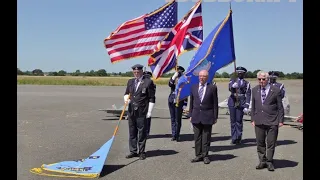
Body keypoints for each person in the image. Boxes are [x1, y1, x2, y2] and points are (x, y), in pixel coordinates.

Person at [251, 70, 284, 171]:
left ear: (267, 79)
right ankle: (262, 161)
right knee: (260, 143)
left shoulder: (276, 90)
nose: (261, 81)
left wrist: (281, 120)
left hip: (272, 120)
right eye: (259, 79)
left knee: (271, 143)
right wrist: (253, 118)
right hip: (259, 120)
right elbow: (253, 106)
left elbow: (280, 107)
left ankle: (269, 161)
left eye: (263, 79)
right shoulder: (254, 90)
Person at [123, 64, 156, 160]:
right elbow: (126, 93)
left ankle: (141, 152)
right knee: (132, 132)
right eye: (135, 72)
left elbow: (151, 98)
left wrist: (149, 111)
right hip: (131, 111)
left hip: (142, 111)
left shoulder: (148, 82)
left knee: (142, 132)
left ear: (142, 72)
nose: (136, 73)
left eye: (138, 72)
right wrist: (126, 99)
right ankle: (133, 151)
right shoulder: (130, 81)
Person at [189, 70, 218, 164]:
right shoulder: (193, 87)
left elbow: (215, 103)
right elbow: (191, 102)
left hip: (208, 116)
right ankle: (198, 155)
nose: (201, 78)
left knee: (206, 137)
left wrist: (215, 116)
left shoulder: (212, 88)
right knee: (197, 137)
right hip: (196, 115)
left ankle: (205, 155)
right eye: (200, 76)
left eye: (204, 76)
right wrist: (190, 114)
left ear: (207, 77)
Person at [227, 66, 251, 145]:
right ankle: (234, 138)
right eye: (238, 73)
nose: (240, 74)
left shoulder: (247, 83)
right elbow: (230, 88)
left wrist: (247, 105)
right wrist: (233, 86)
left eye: (241, 73)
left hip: (241, 101)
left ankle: (239, 137)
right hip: (233, 101)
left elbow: (248, 94)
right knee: (233, 121)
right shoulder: (232, 80)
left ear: (244, 74)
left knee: (239, 121)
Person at [168, 66, 187, 142]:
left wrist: (185, 104)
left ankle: (177, 135)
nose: (178, 73)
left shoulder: (184, 79)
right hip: (172, 99)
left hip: (180, 100)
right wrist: (174, 76)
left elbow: (186, 92)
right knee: (172, 118)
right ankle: (173, 135)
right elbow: (170, 84)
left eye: (179, 72)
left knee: (178, 119)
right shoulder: (173, 78)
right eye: (177, 71)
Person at [143, 70, 155, 137]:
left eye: (148, 76)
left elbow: (152, 95)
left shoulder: (152, 84)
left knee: (147, 118)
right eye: (145, 76)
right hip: (141, 103)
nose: (146, 78)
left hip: (148, 103)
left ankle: (147, 133)